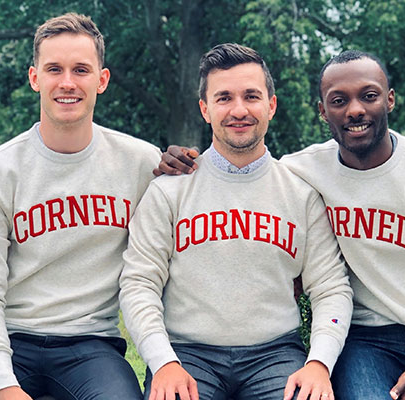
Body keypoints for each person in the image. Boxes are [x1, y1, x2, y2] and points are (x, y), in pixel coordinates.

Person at [154, 49, 405, 400]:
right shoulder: (302, 171)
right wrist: (175, 160)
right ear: (322, 110)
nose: (355, 110)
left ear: (390, 99)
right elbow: (246, 168)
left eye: (369, 96)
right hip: (364, 339)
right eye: (338, 100)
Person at [0, 13, 160, 400]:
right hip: (10, 338)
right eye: (54, 69)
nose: (67, 82)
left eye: (81, 69)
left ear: (101, 80)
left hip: (91, 346)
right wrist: (3, 385)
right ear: (35, 77)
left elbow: (191, 212)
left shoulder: (139, 163)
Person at [119, 43, 353, 400]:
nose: (239, 110)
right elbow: (139, 285)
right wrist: (163, 363)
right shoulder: (170, 191)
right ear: (205, 109)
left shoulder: (302, 193)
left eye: (251, 96)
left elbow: (331, 289)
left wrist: (319, 364)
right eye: (224, 97)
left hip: (274, 355)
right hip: (187, 354)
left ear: (271, 105)